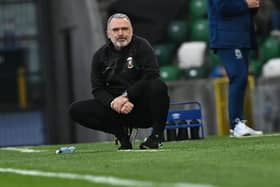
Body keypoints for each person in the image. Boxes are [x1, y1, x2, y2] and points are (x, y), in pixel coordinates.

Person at [69, 13, 170, 149]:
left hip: (142, 108)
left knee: (158, 86)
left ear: (131, 30)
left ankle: (156, 137)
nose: (121, 33)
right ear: (108, 34)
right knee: (75, 110)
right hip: (115, 110)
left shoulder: (141, 46)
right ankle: (123, 137)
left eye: (125, 29)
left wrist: (126, 96)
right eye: (116, 30)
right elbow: (97, 89)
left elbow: (151, 75)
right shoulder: (100, 56)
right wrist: (113, 103)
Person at [207, 0, 263, 137]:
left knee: (242, 78)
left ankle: (239, 122)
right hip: (227, 37)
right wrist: (246, 4)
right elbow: (222, 7)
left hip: (241, 36)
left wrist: (253, 5)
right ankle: (236, 123)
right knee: (238, 77)